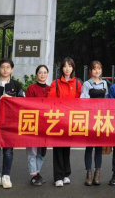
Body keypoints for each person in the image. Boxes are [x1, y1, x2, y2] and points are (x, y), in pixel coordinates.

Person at [0, 58, 25, 190]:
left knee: (8, 152)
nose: (5, 70)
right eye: (2, 67)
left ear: (12, 69)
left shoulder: (16, 85)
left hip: (10, 126)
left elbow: (23, 102)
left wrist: (10, 98)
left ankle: (6, 176)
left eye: (8, 67)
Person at [48, 57, 82, 187]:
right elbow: (51, 100)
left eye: (70, 66)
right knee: (58, 148)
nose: (67, 69)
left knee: (67, 147)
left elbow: (80, 102)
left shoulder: (78, 83)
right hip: (58, 119)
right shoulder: (56, 83)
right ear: (61, 68)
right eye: (65, 66)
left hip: (70, 120)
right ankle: (58, 176)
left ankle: (66, 174)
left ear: (73, 68)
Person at [80, 60, 108, 186]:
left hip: (101, 118)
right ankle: (89, 173)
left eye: (99, 68)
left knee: (98, 147)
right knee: (89, 147)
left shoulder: (105, 83)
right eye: (94, 68)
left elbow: (107, 99)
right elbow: (83, 100)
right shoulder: (86, 84)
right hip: (90, 118)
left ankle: (97, 173)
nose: (97, 71)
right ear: (90, 71)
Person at [25, 65, 51, 186]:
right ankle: (33, 175)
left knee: (42, 151)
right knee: (32, 151)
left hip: (46, 125)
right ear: (36, 74)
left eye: (45, 72)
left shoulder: (50, 89)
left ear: (48, 74)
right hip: (33, 123)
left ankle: (37, 172)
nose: (42, 75)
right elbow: (27, 105)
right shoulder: (31, 88)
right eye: (40, 72)